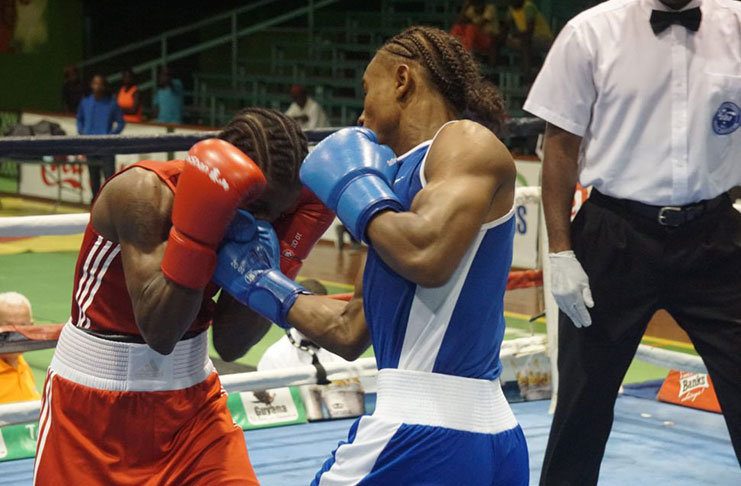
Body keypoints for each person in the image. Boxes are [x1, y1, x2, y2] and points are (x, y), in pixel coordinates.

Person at [215, 26, 529, 485]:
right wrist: (260, 280)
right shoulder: (392, 196)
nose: (361, 114)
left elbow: (428, 255)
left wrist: (354, 191)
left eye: (368, 90)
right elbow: (349, 331)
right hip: (480, 437)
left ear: (402, 80)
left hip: (423, 431)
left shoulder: (462, 142)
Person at [33, 108, 333, 486]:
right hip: (93, 412)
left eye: (279, 213)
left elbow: (231, 343)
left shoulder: (269, 216)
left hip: (194, 408)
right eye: (259, 210)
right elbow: (160, 333)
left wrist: (278, 263)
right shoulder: (144, 192)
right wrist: (200, 231)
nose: (265, 223)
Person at [522, 1, 741, 483]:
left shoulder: (737, 25)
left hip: (716, 235)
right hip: (614, 234)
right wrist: (560, 251)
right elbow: (560, 144)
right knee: (582, 405)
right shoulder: (590, 33)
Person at [257, 279, 360, 421]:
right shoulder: (274, 356)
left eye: (319, 311)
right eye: (308, 312)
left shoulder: (345, 346)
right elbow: (268, 407)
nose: (313, 318)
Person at [76, 74, 125, 201]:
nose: (97, 86)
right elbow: (79, 119)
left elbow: (121, 122)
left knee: (109, 178)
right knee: (93, 177)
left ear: (104, 86)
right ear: (91, 85)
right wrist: (82, 131)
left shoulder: (111, 104)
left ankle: (110, 204)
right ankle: (95, 204)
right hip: (90, 145)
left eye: (100, 83)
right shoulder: (85, 102)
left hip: (106, 146)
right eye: (94, 83)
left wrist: (111, 136)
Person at [0, 292, 40, 404]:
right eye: (8, 328)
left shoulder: (19, 361)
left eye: (23, 327)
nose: (16, 336)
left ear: (31, 326)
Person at [501, 0, 553, 81]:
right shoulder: (511, 9)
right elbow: (506, 27)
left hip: (543, 38)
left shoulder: (528, 7)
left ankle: (527, 73)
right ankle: (532, 65)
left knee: (525, 42)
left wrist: (516, 34)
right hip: (527, 39)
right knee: (508, 41)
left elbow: (529, 31)